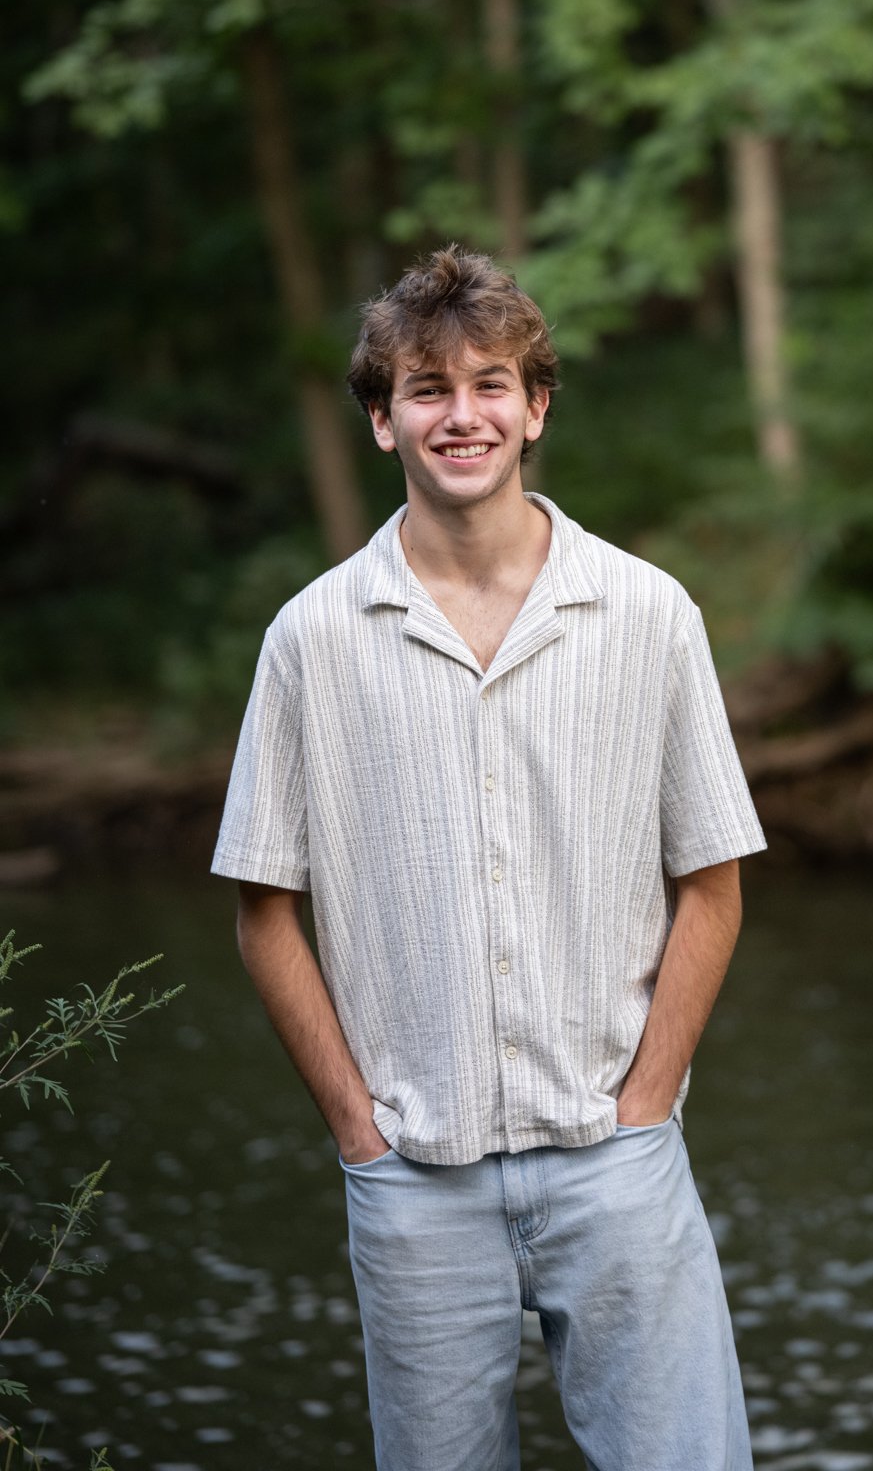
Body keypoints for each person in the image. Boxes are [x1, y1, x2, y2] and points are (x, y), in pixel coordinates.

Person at [211, 244, 766, 1471]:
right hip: (414, 1185)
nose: (461, 414)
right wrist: (359, 1129)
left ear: (536, 406)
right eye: (427, 388)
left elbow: (713, 883)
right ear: (382, 418)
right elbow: (264, 911)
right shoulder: (309, 638)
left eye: (489, 384)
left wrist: (645, 1102)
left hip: (617, 1160)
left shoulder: (649, 613)